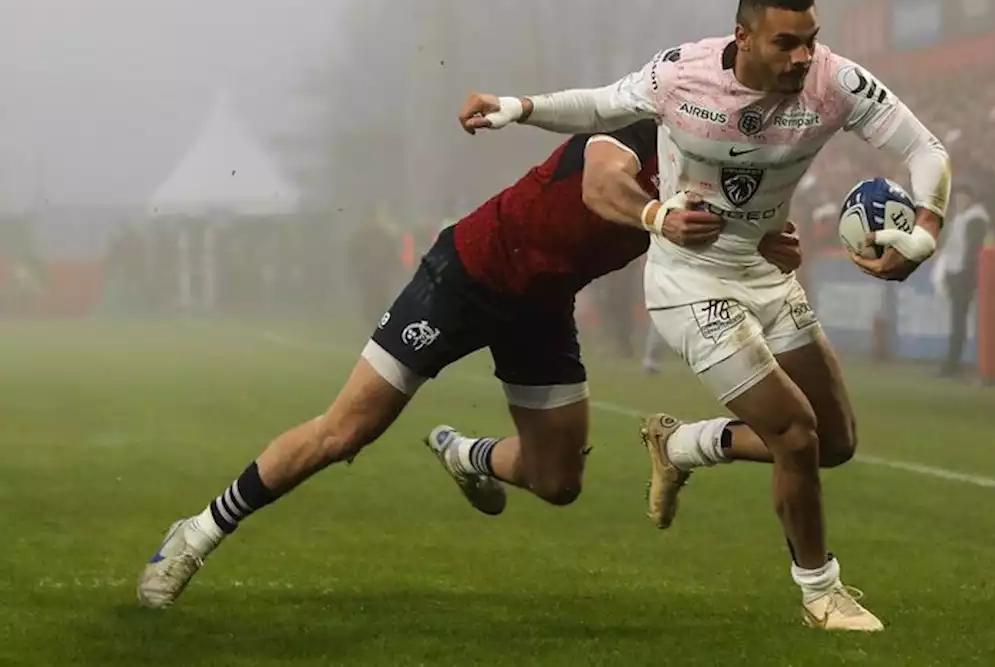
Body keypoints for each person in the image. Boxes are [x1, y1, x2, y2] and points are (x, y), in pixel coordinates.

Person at [457, 0, 951, 631]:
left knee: (835, 440)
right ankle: (820, 592)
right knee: (796, 435)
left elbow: (924, 149)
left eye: (810, 40)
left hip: (766, 271)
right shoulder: (682, 75)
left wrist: (922, 235)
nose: (802, 57)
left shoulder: (834, 82)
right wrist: (518, 107)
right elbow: (602, 107)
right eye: (785, 43)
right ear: (742, 36)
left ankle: (684, 445)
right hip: (689, 283)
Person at [136, 120, 802, 609]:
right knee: (346, 431)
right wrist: (659, 215)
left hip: (541, 307)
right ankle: (194, 534)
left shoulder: (717, 182)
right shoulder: (632, 133)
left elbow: (723, 237)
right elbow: (604, 189)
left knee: (558, 480)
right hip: (465, 276)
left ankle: (467, 455)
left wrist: (762, 241)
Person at [931, 185, 988, 378]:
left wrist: (965, 273)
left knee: (960, 320)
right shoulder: (962, 218)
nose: (959, 200)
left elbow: (972, 250)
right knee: (958, 320)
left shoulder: (975, 218)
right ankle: (953, 360)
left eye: (962, 196)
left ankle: (954, 362)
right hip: (957, 272)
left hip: (966, 274)